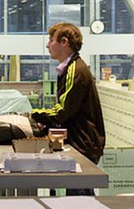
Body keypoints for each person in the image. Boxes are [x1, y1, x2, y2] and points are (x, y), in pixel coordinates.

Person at [29, 22, 105, 166]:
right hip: (80, 141)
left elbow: (64, 110)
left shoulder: (75, 70)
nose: (47, 45)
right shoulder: (70, 68)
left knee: (79, 188)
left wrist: (34, 114)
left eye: (51, 40)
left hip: (82, 144)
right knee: (76, 189)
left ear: (64, 42)